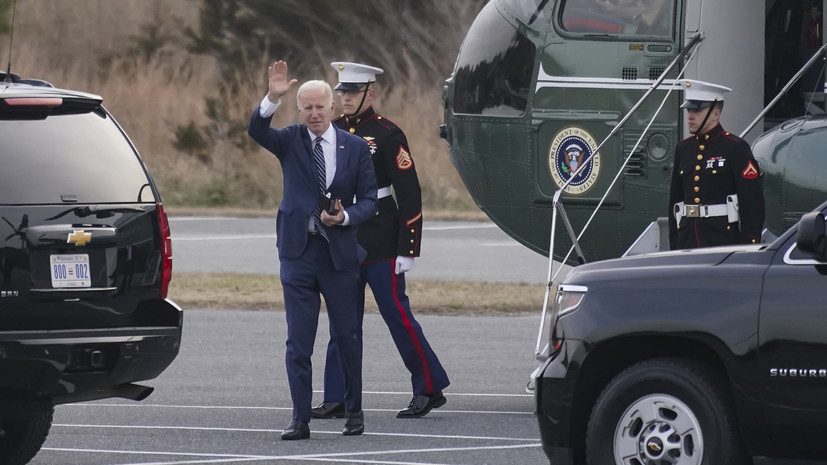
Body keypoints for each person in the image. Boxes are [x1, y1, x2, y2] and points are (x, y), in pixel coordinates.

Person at [310, 62, 450, 420]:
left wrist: (409, 246)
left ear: (370, 92)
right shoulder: (331, 131)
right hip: (342, 237)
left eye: (352, 92)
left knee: (396, 315)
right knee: (342, 319)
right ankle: (337, 395)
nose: (345, 98)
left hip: (381, 240)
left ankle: (428, 387)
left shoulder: (388, 134)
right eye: (341, 91)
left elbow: (410, 194)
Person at [247, 60, 378, 440]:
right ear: (299, 110)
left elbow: (371, 200)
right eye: (307, 107)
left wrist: (347, 217)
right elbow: (257, 129)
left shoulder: (355, 147)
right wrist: (271, 97)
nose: (315, 113)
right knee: (298, 340)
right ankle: (300, 418)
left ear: (333, 109)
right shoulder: (288, 139)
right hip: (298, 253)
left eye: (321, 106)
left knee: (348, 336)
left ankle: (354, 411)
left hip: (338, 256)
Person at [668, 79, 765, 250]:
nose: (690, 115)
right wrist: (674, 247)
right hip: (687, 240)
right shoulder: (683, 148)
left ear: (715, 113)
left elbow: (752, 205)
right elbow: (675, 203)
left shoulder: (735, 148)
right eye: (689, 109)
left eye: (697, 110)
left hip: (721, 242)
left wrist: (748, 248)